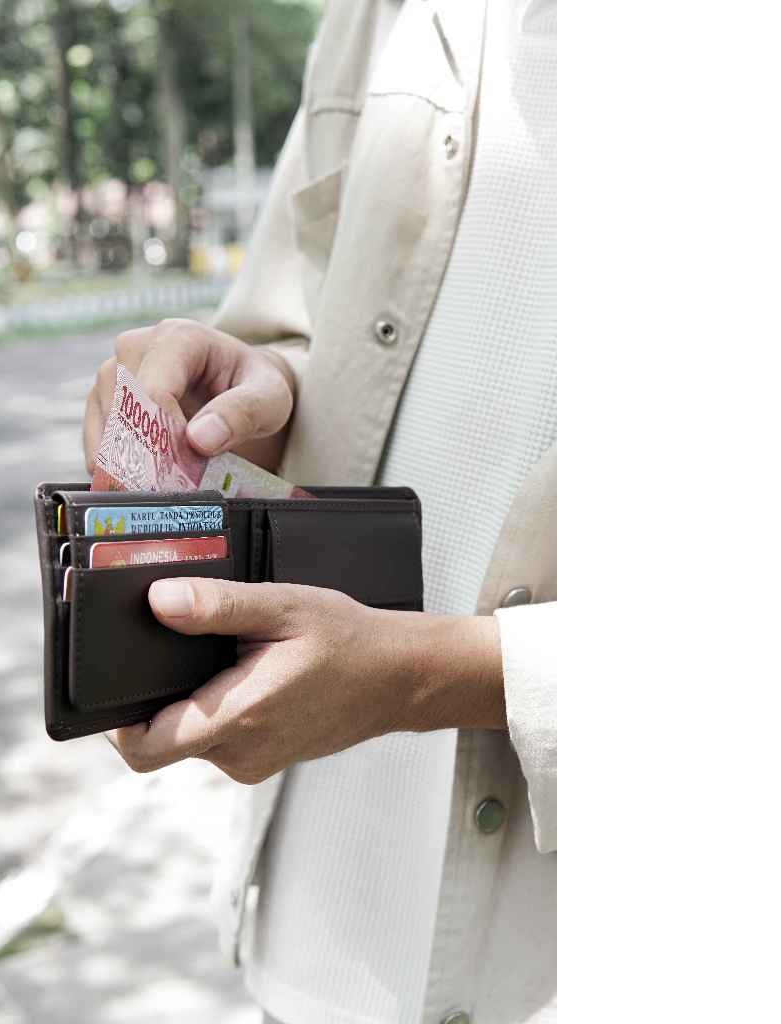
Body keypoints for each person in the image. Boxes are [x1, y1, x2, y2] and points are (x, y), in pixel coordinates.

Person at [82, 0, 556, 1020]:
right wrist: (242, 396)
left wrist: (426, 678)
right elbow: (297, 328)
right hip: (300, 953)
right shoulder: (377, 15)